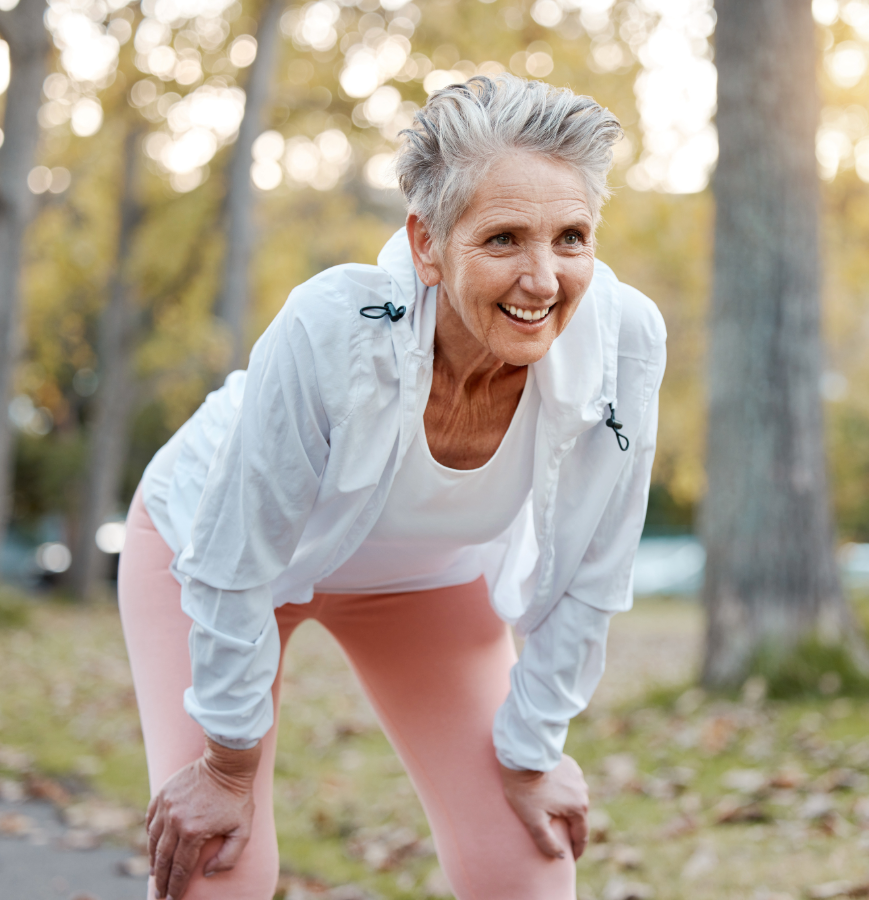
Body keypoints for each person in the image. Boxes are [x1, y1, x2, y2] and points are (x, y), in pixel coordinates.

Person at [118, 74, 666, 900]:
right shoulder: (332, 329)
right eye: (505, 238)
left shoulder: (623, 341)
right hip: (211, 553)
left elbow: (598, 565)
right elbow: (234, 556)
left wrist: (531, 752)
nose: (544, 279)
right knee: (218, 870)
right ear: (426, 244)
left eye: (572, 238)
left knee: (528, 862)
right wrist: (226, 767)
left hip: (421, 580)